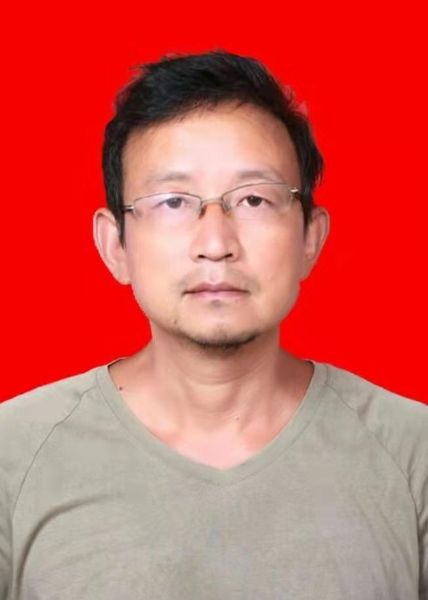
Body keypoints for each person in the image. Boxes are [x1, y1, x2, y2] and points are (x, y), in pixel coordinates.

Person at [0, 49, 427, 600]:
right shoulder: (14, 455)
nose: (216, 243)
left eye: (254, 199)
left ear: (310, 238)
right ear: (115, 245)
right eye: (173, 202)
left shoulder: (412, 455)